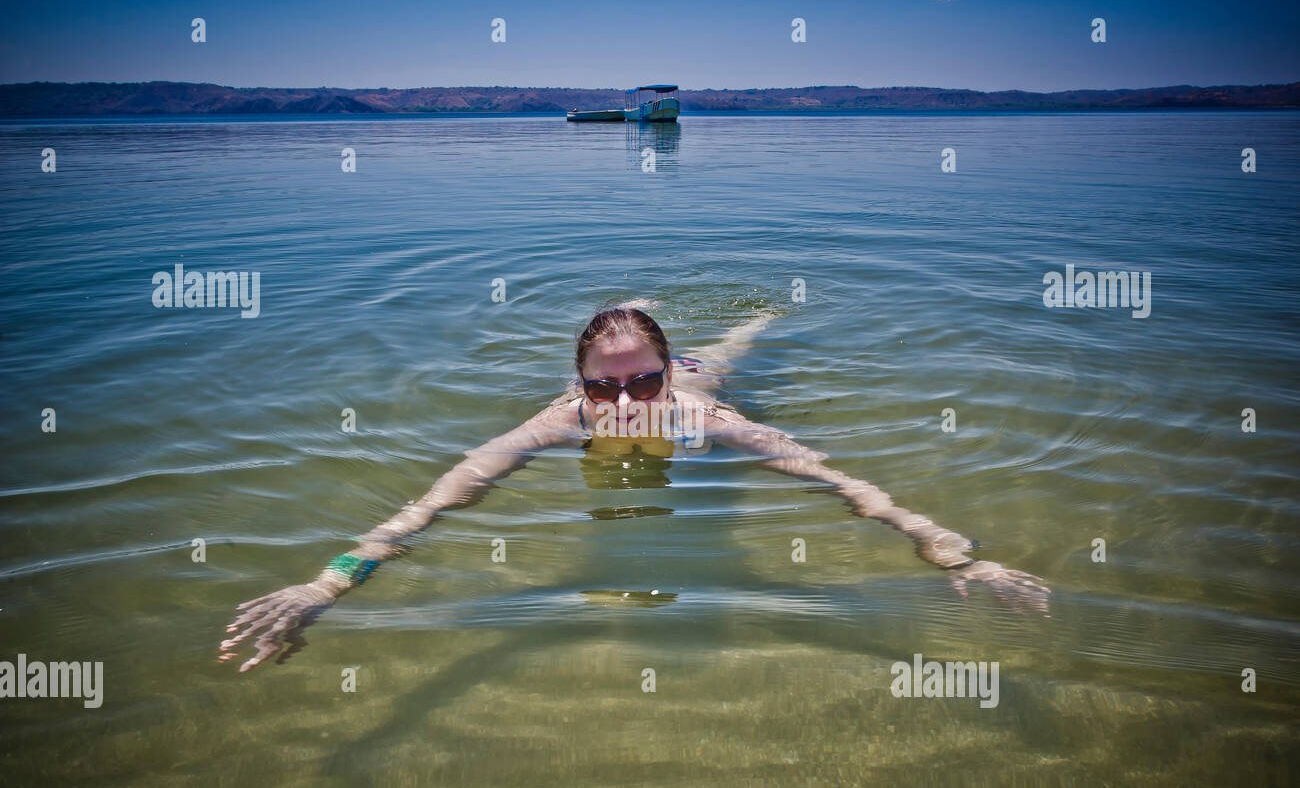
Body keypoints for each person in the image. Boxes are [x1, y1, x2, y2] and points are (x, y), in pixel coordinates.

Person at [222, 303, 1049, 671]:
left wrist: (955, 559)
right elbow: (428, 509)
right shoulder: (556, 424)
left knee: (735, 348)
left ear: (661, 374)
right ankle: (653, 312)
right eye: (604, 386)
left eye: (640, 383)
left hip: (708, 374)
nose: (622, 405)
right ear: (578, 384)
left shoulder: (702, 413)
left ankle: (755, 321)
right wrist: (330, 582)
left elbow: (851, 489)